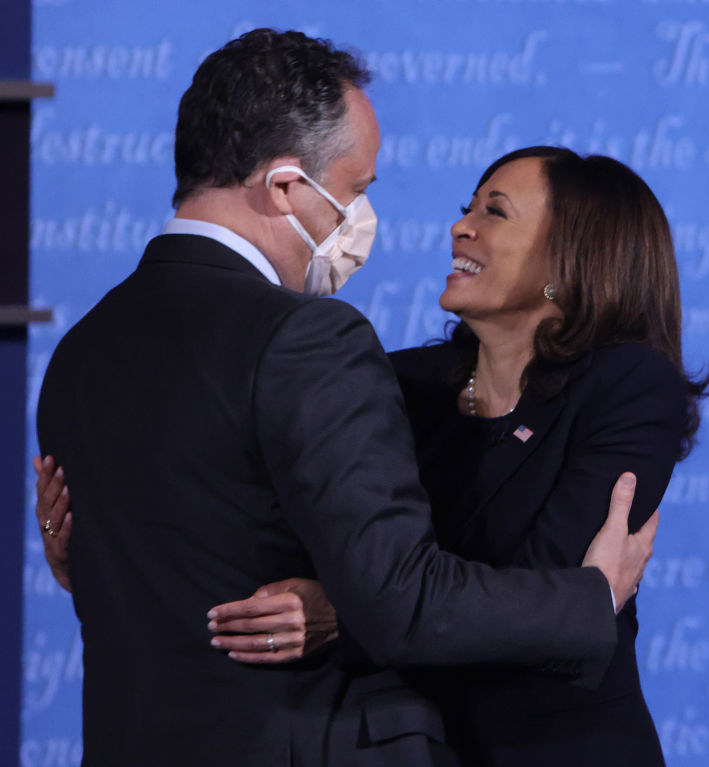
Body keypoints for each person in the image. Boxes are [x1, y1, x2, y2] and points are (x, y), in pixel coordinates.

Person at [32, 30, 657, 767]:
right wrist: (592, 598)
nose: (360, 220)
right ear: (288, 186)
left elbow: (143, 560)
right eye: (355, 190)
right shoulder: (308, 339)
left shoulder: (80, 351)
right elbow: (403, 601)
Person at [126, 146, 709, 764]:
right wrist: (101, 528)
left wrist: (351, 610)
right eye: (467, 208)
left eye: (496, 213)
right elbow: (275, 523)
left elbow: (544, 596)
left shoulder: (628, 386)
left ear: (570, 261)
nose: (461, 227)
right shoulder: (400, 383)